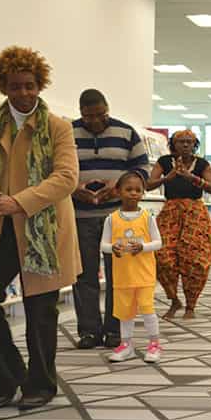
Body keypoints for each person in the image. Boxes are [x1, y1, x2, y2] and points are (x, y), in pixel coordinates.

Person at [0, 46, 81, 411]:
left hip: (43, 234)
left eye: (30, 86)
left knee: (40, 310)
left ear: (40, 84)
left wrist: (18, 202)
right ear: (4, 87)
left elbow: (65, 178)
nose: (24, 94)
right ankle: (8, 375)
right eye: (16, 87)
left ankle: (41, 384)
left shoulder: (57, 127)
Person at [71, 88, 150, 349]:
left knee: (120, 276)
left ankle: (115, 329)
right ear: (80, 112)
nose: (94, 121)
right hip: (80, 216)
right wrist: (74, 190)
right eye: (88, 116)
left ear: (108, 108)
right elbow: (55, 171)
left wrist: (116, 186)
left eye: (100, 115)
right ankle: (89, 331)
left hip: (118, 218)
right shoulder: (67, 133)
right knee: (84, 275)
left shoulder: (126, 133)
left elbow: (142, 171)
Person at [147, 130, 211, 319]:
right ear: (173, 144)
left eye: (189, 142)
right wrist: (166, 178)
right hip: (170, 213)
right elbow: (148, 184)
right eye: (181, 142)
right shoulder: (164, 161)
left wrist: (192, 178)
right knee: (162, 256)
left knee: (195, 260)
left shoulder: (202, 164)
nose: (185, 145)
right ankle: (174, 299)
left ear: (195, 144)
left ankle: (190, 305)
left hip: (195, 214)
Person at [101, 170, 164, 363]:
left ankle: (154, 344)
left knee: (147, 310)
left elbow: (158, 243)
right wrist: (113, 248)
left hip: (144, 275)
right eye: (128, 189)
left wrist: (143, 247)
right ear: (118, 191)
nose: (133, 193)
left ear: (143, 193)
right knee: (124, 312)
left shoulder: (147, 217)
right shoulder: (111, 219)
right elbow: (103, 245)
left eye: (138, 190)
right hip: (122, 277)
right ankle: (126, 344)